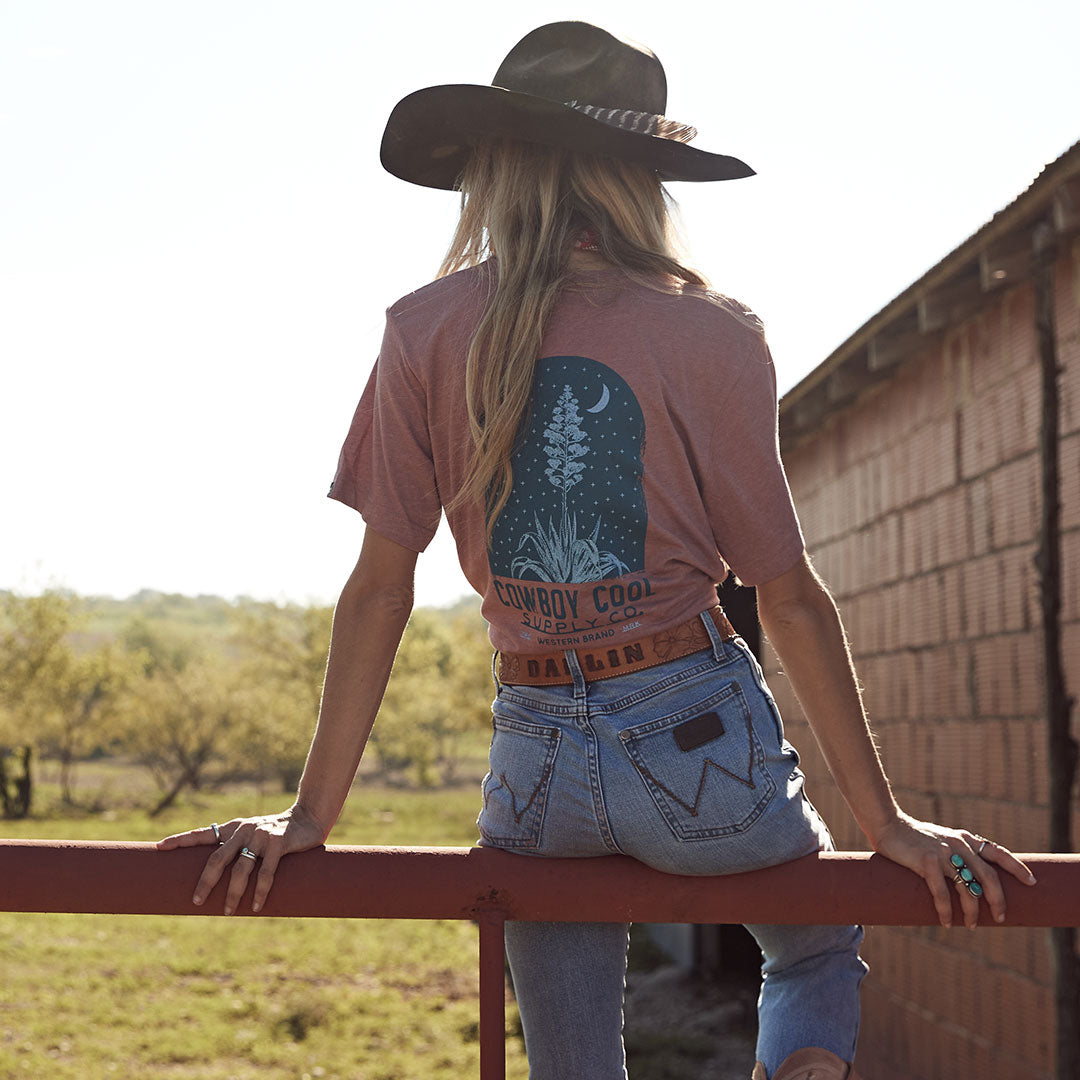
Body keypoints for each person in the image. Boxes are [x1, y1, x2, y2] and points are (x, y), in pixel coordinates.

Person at [158, 22, 1037, 1080]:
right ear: (640, 177)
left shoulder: (425, 329)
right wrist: (883, 820)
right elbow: (789, 596)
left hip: (534, 751)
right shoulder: (712, 333)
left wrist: (312, 815)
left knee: (570, 1061)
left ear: (496, 168)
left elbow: (379, 592)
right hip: (696, 726)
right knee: (815, 945)